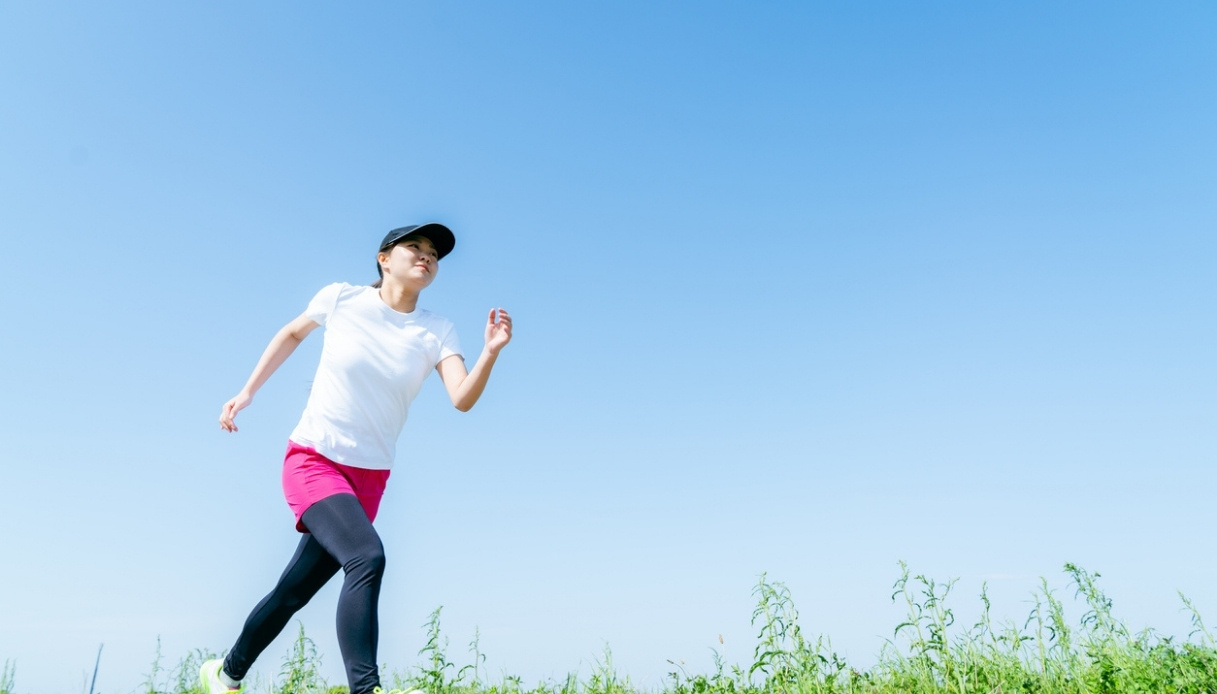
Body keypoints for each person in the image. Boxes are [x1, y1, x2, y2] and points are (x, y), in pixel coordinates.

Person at [199, 223, 512, 694]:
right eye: (415, 247)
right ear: (384, 258)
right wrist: (246, 393)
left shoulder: (436, 329)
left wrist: (489, 353)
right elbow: (290, 333)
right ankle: (367, 690)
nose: (426, 256)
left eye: (434, 253)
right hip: (315, 459)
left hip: (369, 479)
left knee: (293, 592)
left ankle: (224, 674)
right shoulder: (342, 299)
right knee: (367, 557)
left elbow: (461, 398)